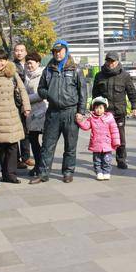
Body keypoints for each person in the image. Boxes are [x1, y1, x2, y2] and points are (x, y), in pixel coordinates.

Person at [35, 40, 87, 184]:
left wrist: (81, 112)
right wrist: (49, 94)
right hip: (53, 113)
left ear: (66, 51)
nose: (58, 54)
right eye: (55, 51)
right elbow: (41, 89)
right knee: (47, 145)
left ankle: (68, 172)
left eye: (61, 51)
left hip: (71, 112)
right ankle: (43, 174)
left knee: (70, 146)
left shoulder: (75, 69)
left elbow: (83, 92)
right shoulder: (48, 70)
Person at [0, 49, 31, 184]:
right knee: (1, 146)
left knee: (12, 145)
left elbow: (22, 90)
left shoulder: (13, 74)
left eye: (2, 60)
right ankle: (5, 173)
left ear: (6, 61)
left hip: (11, 114)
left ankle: (11, 174)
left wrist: (26, 106)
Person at [92, 51, 136, 169]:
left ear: (117, 61)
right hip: (103, 114)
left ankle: (121, 160)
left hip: (119, 113)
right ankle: (102, 160)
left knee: (120, 138)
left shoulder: (125, 76)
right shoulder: (99, 75)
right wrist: (94, 109)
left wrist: (135, 107)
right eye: (108, 61)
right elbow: (95, 95)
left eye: (112, 61)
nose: (110, 63)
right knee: (101, 138)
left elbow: (132, 93)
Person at [76, 96, 121, 181]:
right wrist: (80, 121)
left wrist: (116, 142)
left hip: (107, 144)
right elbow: (86, 127)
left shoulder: (109, 118)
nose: (98, 110)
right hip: (96, 144)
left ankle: (106, 172)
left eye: (100, 108)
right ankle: (99, 172)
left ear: (105, 108)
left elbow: (114, 130)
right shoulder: (91, 118)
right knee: (97, 160)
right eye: (96, 108)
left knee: (107, 160)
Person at [24, 52, 48, 181]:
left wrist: (25, 99)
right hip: (31, 113)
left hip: (42, 112)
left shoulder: (42, 75)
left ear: (38, 63)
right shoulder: (26, 76)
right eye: (27, 63)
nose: (29, 65)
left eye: (31, 63)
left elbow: (41, 94)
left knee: (44, 141)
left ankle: (42, 166)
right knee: (33, 140)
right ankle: (38, 165)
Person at [13, 42, 33, 169]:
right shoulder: (11, 66)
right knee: (16, 131)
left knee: (26, 131)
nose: (19, 52)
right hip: (15, 102)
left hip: (29, 101)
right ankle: (16, 159)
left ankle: (26, 157)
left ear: (26, 52)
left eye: (21, 50)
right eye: (17, 50)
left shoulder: (30, 64)